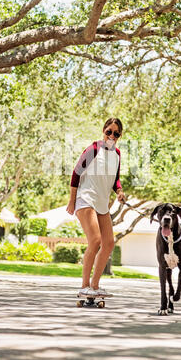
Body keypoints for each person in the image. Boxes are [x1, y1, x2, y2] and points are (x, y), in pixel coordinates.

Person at [66, 118, 125, 297]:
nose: (112, 136)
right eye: (109, 131)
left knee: (108, 243)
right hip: (85, 199)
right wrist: (72, 200)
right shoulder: (93, 149)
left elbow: (115, 178)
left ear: (119, 136)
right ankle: (84, 285)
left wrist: (120, 191)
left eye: (116, 133)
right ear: (103, 130)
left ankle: (95, 285)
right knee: (95, 240)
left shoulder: (117, 154)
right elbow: (76, 174)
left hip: (101, 202)